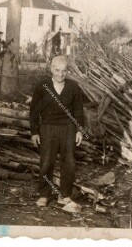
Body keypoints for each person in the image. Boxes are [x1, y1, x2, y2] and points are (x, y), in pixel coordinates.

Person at [29, 56, 85, 207]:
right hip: (48, 128)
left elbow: (79, 110)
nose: (60, 74)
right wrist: (34, 132)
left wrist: (79, 130)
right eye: (57, 70)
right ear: (51, 69)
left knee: (69, 163)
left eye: (64, 70)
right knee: (46, 161)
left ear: (67, 71)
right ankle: (44, 194)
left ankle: (65, 195)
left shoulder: (73, 87)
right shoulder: (42, 86)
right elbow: (34, 111)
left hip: (68, 129)